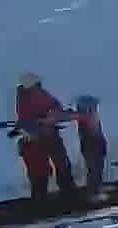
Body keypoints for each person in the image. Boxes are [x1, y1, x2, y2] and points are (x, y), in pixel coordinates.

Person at [12, 73, 77, 204]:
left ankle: (43, 201)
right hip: (43, 138)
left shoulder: (24, 97)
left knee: (44, 172)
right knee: (53, 168)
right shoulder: (33, 95)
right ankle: (67, 197)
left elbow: (54, 108)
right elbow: (54, 107)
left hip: (42, 137)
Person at [71, 96, 107, 201]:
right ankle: (93, 193)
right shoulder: (84, 117)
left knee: (98, 168)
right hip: (90, 144)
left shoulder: (92, 117)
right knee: (94, 169)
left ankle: (97, 190)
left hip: (96, 143)